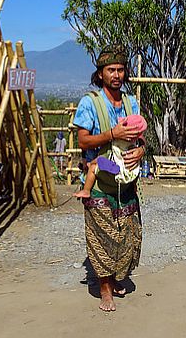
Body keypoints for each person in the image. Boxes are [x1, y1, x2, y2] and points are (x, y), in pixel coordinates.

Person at [72, 45, 145, 312]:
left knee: (127, 234)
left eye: (120, 70)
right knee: (103, 238)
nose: (116, 74)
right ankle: (104, 289)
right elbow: (82, 140)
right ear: (100, 74)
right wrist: (111, 134)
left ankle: (114, 279)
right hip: (99, 180)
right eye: (111, 70)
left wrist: (141, 150)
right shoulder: (90, 102)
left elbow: (140, 137)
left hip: (126, 181)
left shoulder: (130, 102)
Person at [73, 114, 147, 199]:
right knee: (135, 166)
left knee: (95, 165)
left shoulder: (119, 138)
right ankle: (134, 186)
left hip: (115, 165)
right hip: (129, 170)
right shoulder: (134, 143)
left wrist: (112, 134)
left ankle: (86, 190)